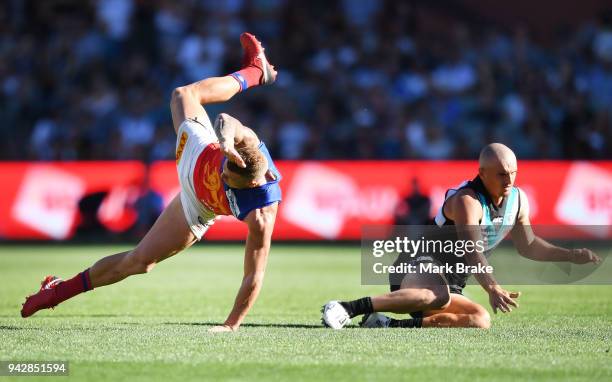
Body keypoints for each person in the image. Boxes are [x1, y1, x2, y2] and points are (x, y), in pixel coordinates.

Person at [21, 33, 281, 333]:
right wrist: (223, 140)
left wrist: (231, 325)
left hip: (198, 205)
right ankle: (255, 71)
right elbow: (226, 119)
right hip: (199, 151)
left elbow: (253, 276)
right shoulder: (248, 146)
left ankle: (58, 291)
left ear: (251, 185)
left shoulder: (262, 214)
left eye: (228, 180)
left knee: (139, 262)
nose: (222, 176)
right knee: (183, 94)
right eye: (226, 170)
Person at [322, 143, 601, 329]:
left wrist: (570, 255)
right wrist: (492, 287)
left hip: (448, 286)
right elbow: (471, 248)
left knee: (480, 320)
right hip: (414, 268)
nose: (509, 181)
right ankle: (347, 307)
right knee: (438, 294)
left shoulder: (518, 200)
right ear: (482, 173)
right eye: (502, 174)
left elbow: (528, 245)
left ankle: (384, 323)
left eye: (513, 174)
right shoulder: (467, 200)